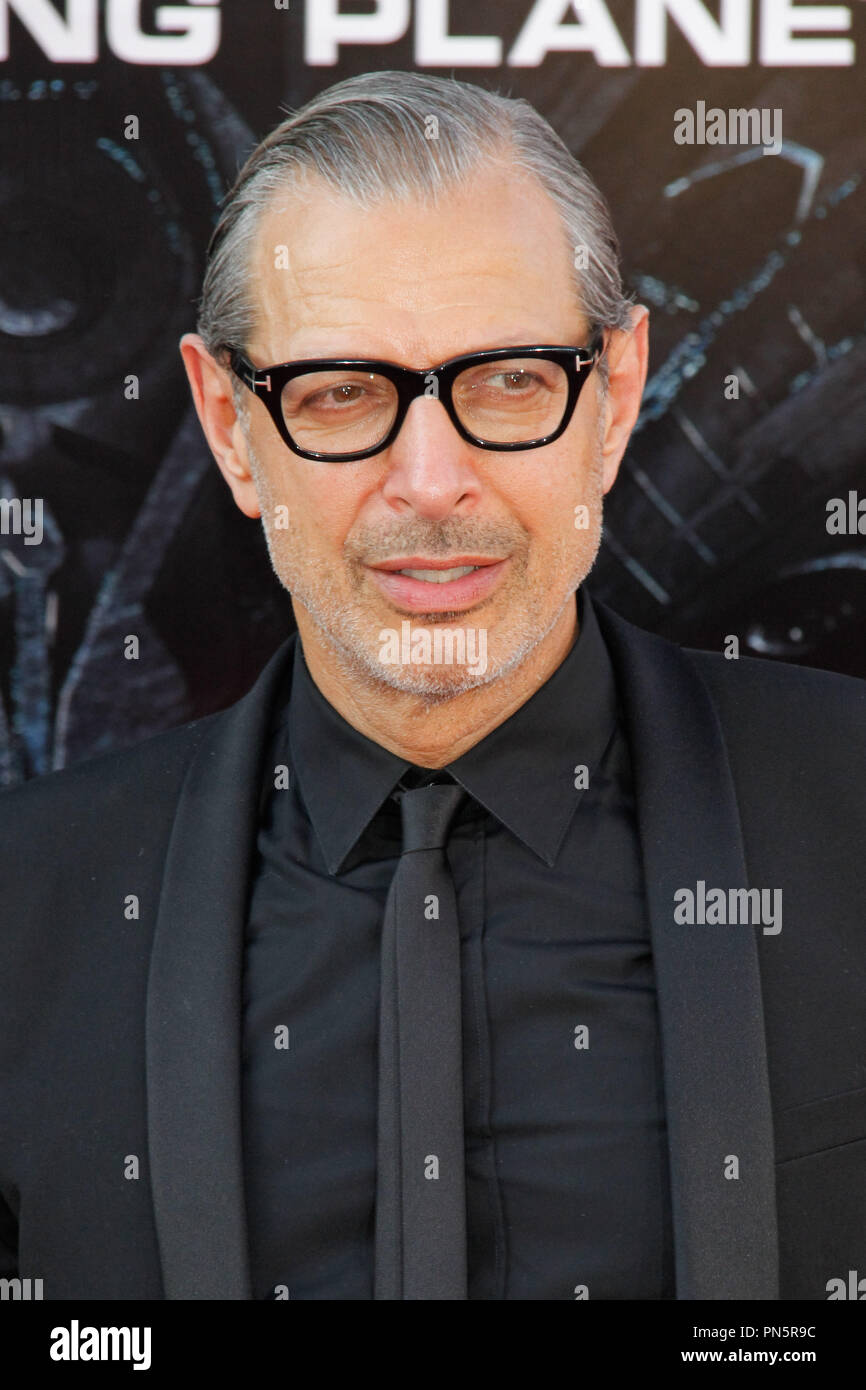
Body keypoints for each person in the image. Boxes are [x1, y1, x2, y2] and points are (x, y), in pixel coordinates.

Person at [0, 69, 864, 1303]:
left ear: (613, 396)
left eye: (509, 380)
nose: (428, 481)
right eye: (342, 393)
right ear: (231, 427)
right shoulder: (23, 910)